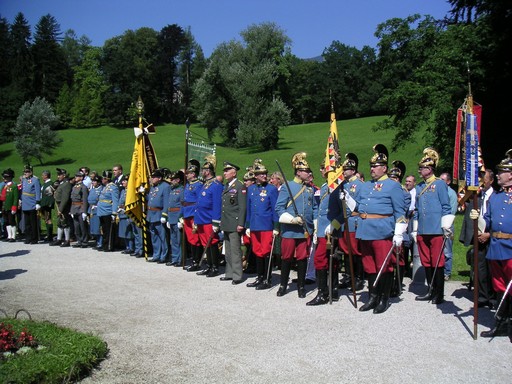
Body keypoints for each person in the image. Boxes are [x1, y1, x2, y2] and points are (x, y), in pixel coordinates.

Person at [355, 144, 407, 314]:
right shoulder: (365, 185)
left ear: (384, 168)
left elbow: (400, 211)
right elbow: (359, 206)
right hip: (365, 230)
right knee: (369, 266)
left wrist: (399, 232)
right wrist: (346, 199)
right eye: (371, 166)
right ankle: (373, 296)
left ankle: (384, 298)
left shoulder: (393, 186)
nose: (372, 169)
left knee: (384, 266)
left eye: (375, 166)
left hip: (382, 231)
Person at [473, 150, 512, 339]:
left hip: (511, 248)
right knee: (499, 287)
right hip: (496, 247)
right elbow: (487, 219)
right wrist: (477, 218)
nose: (497, 175)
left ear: (511, 174)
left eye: (501, 172)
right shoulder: (495, 197)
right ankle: (501, 322)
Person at [412, 148, 453, 304]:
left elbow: (446, 207)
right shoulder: (419, 187)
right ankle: (430, 289)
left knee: (437, 261)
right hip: (423, 229)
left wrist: (445, 227)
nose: (419, 170)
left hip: (436, 229)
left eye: (422, 168)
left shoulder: (439, 185)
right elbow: (416, 209)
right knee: (426, 261)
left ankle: (439, 293)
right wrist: (415, 229)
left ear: (429, 169)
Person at [275, 152, 318, 298]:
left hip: (305, 230)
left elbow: (313, 209)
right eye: (306, 171)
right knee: (286, 257)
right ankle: (283, 285)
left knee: (302, 258)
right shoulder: (288, 186)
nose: (309, 173)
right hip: (290, 229)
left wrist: (315, 224)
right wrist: (292, 220)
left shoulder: (310, 189)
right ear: (299, 172)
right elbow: (279, 208)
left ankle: (301, 286)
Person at [459, 169, 496, 308]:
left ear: (491, 181)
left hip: (492, 237)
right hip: (479, 236)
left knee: (492, 268)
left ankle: (493, 298)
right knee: (480, 267)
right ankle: (482, 295)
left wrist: (489, 234)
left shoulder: (496, 196)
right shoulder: (477, 197)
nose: (481, 181)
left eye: (484, 178)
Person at [307, 161, 342, 305]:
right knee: (327, 259)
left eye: (324, 168)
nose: (321, 171)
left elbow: (344, 211)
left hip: (330, 232)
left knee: (322, 259)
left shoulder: (338, 188)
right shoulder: (323, 187)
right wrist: (317, 228)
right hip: (321, 231)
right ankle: (331, 290)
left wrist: (333, 225)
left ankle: (324, 293)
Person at [245, 159, 279, 290]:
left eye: (265, 173)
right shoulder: (251, 189)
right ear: (255, 176)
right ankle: (259, 277)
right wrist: (247, 225)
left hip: (266, 225)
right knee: (257, 251)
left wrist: (276, 226)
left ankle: (267, 278)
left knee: (265, 251)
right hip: (254, 224)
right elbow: (248, 207)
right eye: (261, 174)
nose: (264, 176)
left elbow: (275, 208)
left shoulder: (271, 189)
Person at [334, 153, 365, 292]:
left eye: (346, 169)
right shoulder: (343, 184)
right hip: (343, 222)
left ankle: (358, 278)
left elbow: (359, 205)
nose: (343, 171)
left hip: (354, 221)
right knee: (346, 250)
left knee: (355, 251)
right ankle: (348, 275)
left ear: (352, 171)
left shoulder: (359, 185)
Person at [195, 154, 223, 277]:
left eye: (203, 170)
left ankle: (215, 267)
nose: (202, 172)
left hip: (209, 219)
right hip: (201, 218)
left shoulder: (216, 185)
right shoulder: (204, 184)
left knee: (211, 243)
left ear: (208, 171)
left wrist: (216, 221)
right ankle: (209, 265)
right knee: (205, 242)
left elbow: (217, 204)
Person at [219, 162, 247, 284]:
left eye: (227, 170)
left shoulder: (240, 186)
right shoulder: (227, 185)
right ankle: (229, 272)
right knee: (228, 250)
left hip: (235, 223)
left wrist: (241, 223)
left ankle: (237, 275)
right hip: (226, 222)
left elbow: (242, 207)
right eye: (224, 171)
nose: (224, 173)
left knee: (235, 250)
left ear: (234, 172)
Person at [388, 160, 411, 297]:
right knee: (389, 258)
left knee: (399, 257)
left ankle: (398, 283)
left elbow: (402, 210)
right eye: (391, 178)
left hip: (399, 227)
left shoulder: (404, 192)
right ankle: (390, 283)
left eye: (395, 178)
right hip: (388, 227)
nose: (392, 180)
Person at [146, 169, 171, 263]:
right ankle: (156, 254)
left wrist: (164, 215)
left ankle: (164, 256)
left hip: (159, 213)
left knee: (162, 236)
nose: (152, 179)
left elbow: (166, 202)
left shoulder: (165, 187)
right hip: (151, 214)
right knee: (154, 236)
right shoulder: (153, 187)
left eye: (154, 177)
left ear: (159, 178)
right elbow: (151, 199)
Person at [183, 160, 204, 271]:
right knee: (190, 238)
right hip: (187, 212)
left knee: (195, 238)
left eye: (189, 173)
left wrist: (196, 215)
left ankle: (196, 261)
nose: (187, 175)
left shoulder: (198, 185)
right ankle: (193, 259)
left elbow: (199, 201)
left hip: (193, 213)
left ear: (194, 174)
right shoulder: (188, 185)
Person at [439, 172, 458, 280]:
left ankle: (447, 272)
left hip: (447, 224)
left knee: (447, 250)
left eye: (443, 180)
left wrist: (446, 224)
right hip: (438, 223)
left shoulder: (451, 193)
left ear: (448, 181)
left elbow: (452, 211)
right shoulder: (439, 191)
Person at [96, 170, 119, 252]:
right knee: (104, 229)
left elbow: (115, 200)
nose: (102, 180)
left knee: (109, 230)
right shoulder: (104, 187)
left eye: (103, 178)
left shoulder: (113, 187)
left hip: (108, 211)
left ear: (107, 179)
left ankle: (109, 245)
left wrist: (114, 212)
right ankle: (104, 244)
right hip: (101, 211)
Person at [165, 170, 185, 266]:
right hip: (171, 217)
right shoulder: (172, 190)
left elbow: (182, 205)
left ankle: (181, 259)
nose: (171, 181)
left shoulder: (181, 190)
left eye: (173, 179)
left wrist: (180, 219)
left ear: (178, 180)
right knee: (173, 240)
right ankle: (175, 258)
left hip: (177, 217)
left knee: (179, 240)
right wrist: (168, 219)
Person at [50, 168, 73, 247]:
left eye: (60, 175)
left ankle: (67, 240)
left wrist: (61, 209)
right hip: (59, 205)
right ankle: (59, 239)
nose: (58, 176)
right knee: (60, 223)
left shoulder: (66, 184)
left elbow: (65, 198)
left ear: (64, 175)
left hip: (64, 206)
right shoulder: (62, 183)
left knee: (65, 223)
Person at [20, 165, 41, 244]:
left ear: (31, 172)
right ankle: (28, 237)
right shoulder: (24, 180)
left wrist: (38, 202)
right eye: (25, 172)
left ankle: (34, 238)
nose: (25, 173)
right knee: (27, 223)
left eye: (27, 172)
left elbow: (38, 191)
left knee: (33, 223)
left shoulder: (35, 180)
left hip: (32, 203)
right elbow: (23, 191)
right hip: (25, 203)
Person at [70, 170, 89, 248]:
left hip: (80, 208)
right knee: (76, 226)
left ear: (81, 178)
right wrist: (71, 210)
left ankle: (84, 241)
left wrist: (84, 211)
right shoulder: (75, 186)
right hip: (74, 208)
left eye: (77, 176)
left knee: (82, 226)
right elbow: (72, 199)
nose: (75, 177)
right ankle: (79, 240)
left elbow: (84, 199)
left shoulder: (83, 187)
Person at [117, 175, 135, 254]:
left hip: (127, 213)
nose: (123, 182)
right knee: (124, 232)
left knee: (129, 233)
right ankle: (127, 246)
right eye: (123, 181)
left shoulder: (130, 191)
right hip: (121, 213)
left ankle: (131, 247)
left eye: (125, 181)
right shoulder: (123, 191)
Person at [1, 169, 19, 242]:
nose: (4, 179)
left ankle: (13, 236)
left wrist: (14, 207)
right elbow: (2, 197)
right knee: (7, 222)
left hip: (11, 206)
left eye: (6, 177)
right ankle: (9, 236)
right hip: (4, 206)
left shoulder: (14, 186)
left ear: (10, 178)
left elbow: (15, 198)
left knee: (12, 221)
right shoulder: (4, 186)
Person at [87, 175, 103, 250]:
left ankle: (100, 242)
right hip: (91, 210)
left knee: (98, 227)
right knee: (93, 227)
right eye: (92, 181)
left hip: (97, 209)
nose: (93, 182)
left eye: (94, 181)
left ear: (99, 182)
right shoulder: (92, 189)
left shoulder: (101, 189)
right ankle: (97, 241)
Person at [39, 170, 55, 242]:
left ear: (46, 176)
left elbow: (50, 195)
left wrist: (49, 204)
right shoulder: (45, 184)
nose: (42, 176)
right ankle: (48, 235)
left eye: (43, 175)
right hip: (43, 203)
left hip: (47, 204)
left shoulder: (50, 184)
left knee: (48, 218)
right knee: (46, 218)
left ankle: (50, 235)